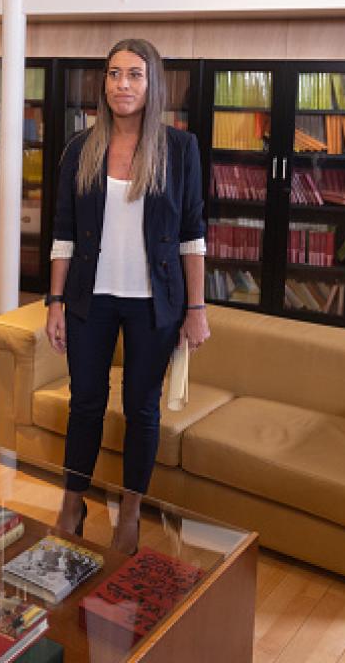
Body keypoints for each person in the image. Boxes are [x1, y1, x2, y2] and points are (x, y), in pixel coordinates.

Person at [44, 38, 208, 536]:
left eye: (135, 74)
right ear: (104, 83)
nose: (122, 84)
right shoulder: (80, 148)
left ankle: (131, 510)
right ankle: (73, 503)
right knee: (85, 402)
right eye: (115, 74)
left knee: (141, 408)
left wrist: (196, 307)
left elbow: (193, 233)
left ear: (151, 83)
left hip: (154, 305)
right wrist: (54, 301)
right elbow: (64, 232)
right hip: (88, 300)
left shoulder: (180, 149)